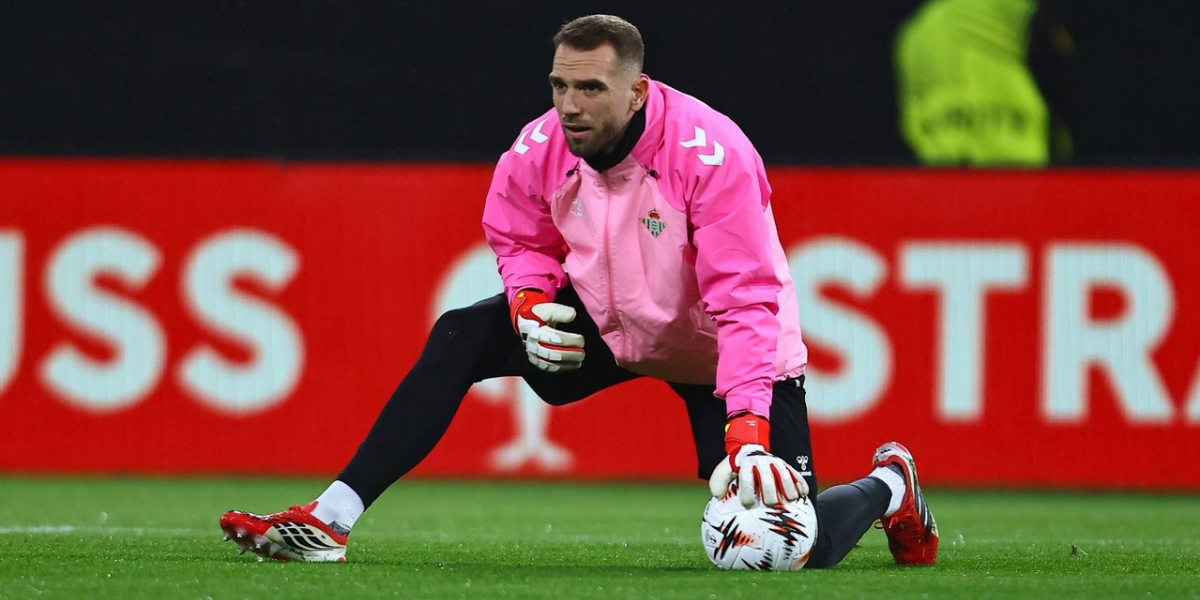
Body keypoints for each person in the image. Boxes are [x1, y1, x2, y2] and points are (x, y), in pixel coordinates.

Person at [219, 14, 939, 568]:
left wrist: (748, 428)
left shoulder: (713, 157)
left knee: (786, 548)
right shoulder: (542, 146)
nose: (570, 106)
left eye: (590, 88)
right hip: (608, 324)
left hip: (722, 353)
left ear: (637, 90)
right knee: (460, 333)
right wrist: (531, 301)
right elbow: (516, 233)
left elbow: (747, 301)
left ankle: (889, 484)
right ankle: (330, 521)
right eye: (560, 85)